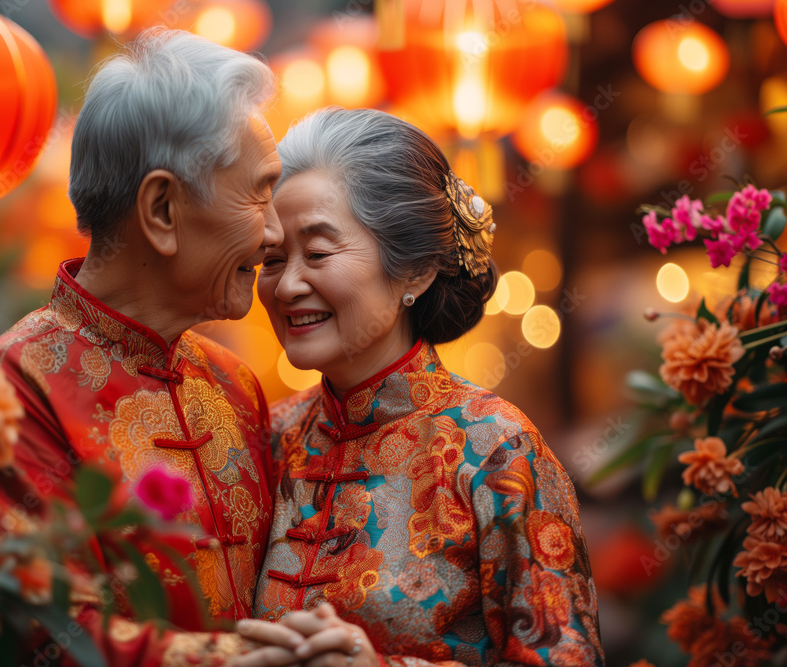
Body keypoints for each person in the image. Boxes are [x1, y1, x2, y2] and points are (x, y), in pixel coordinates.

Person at [0, 29, 300, 666]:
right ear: (162, 210)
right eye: (260, 192)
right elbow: (46, 635)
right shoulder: (9, 388)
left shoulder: (234, 384)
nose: (275, 232)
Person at [233, 108, 605, 666]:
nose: (286, 285)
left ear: (414, 270)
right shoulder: (272, 437)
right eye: (271, 258)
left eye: (318, 253)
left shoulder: (496, 449)